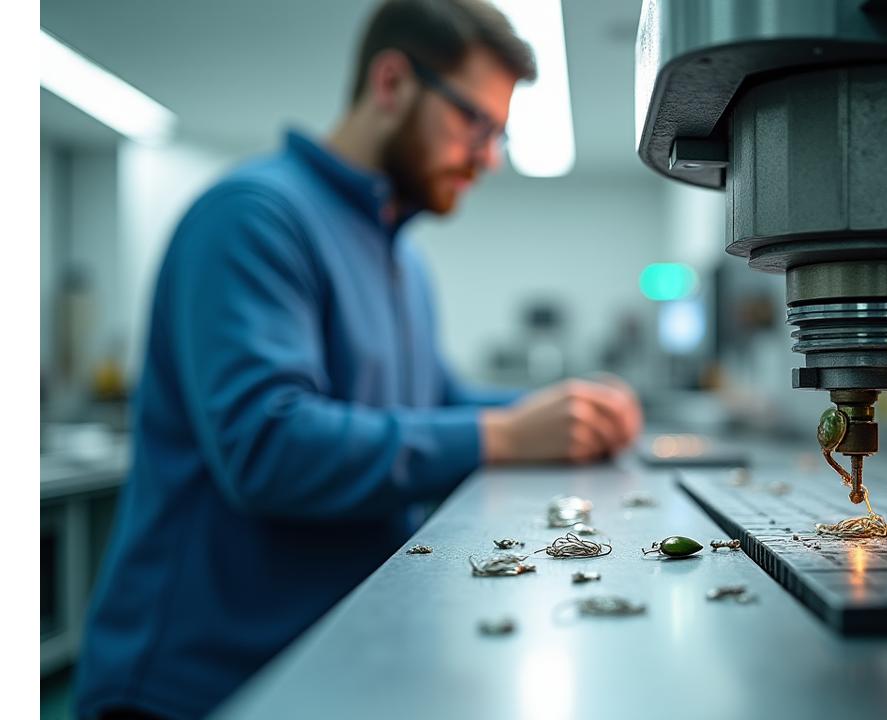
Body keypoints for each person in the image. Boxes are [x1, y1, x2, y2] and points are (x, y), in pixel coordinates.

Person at [74, 1, 642, 717]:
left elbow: (433, 400)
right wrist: (505, 434)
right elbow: (267, 446)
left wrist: (575, 411)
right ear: (392, 83)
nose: (489, 157)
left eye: (499, 135)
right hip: (199, 684)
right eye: (475, 123)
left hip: (324, 654)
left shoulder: (401, 257)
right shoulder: (253, 217)